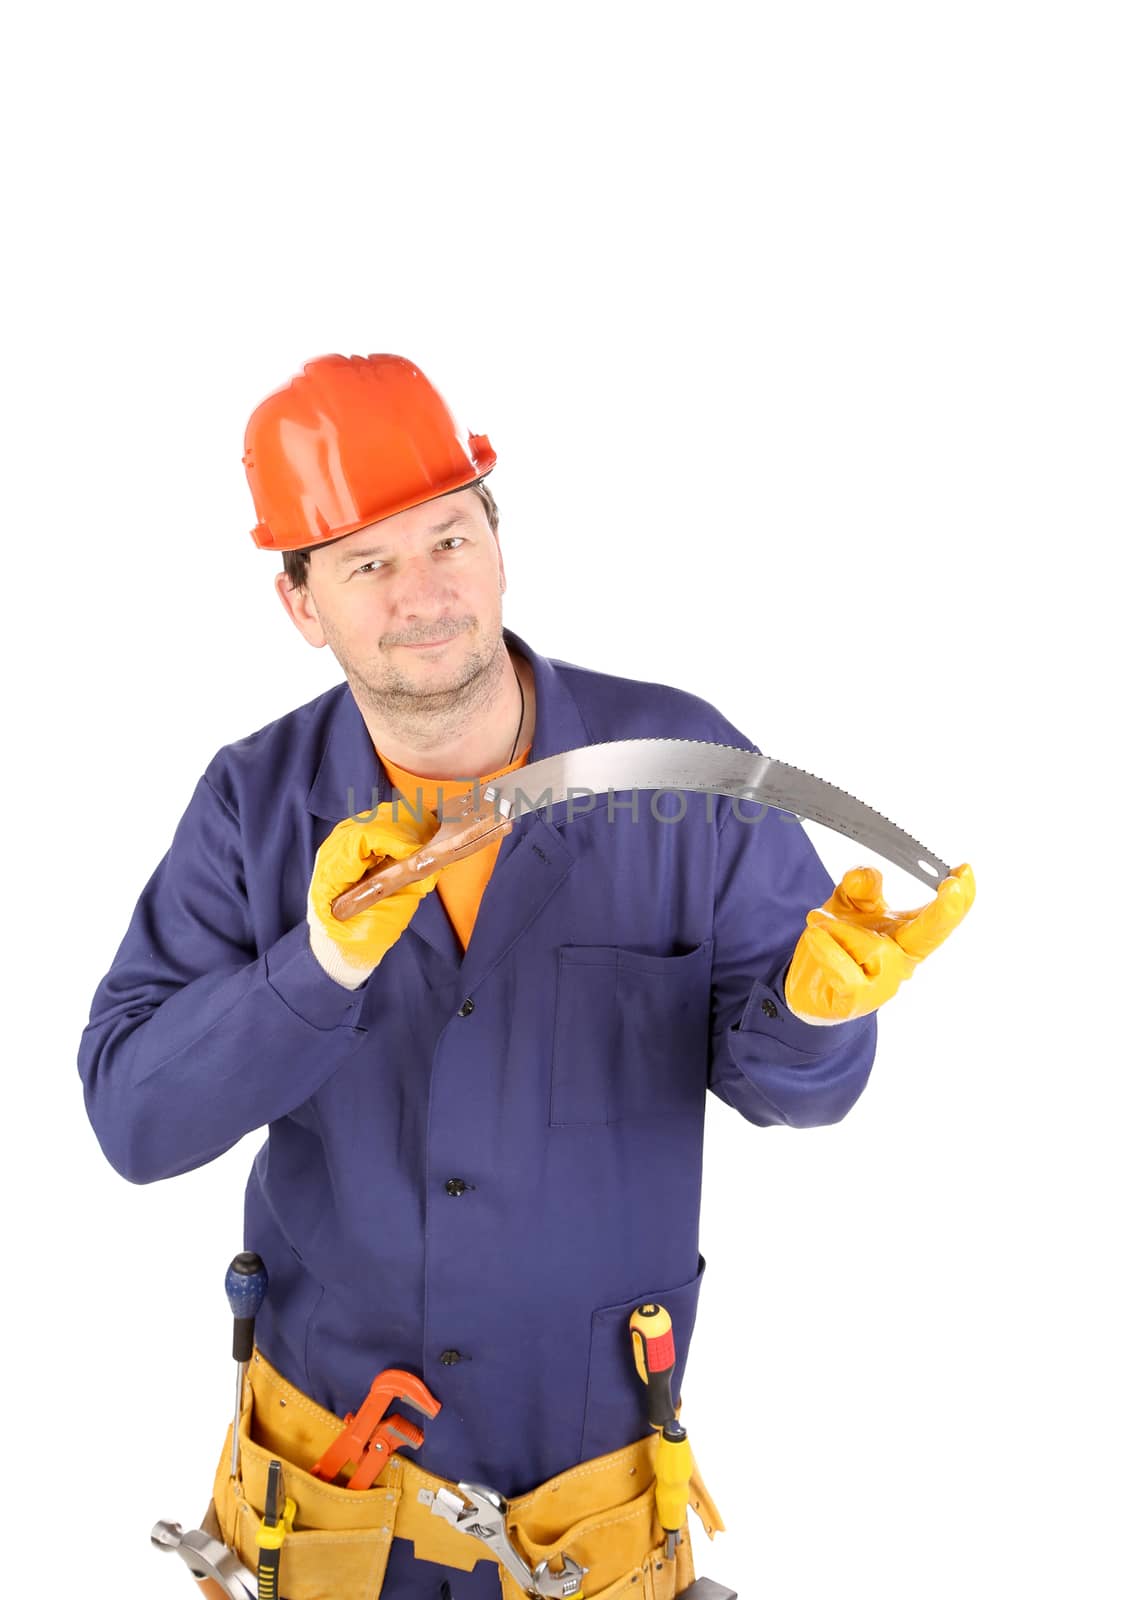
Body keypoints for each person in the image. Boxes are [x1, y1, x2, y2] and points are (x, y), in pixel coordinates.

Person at [79, 353, 974, 1600]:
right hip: (332, 1504)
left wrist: (820, 1016)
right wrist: (318, 964)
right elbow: (135, 1119)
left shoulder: (685, 774)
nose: (423, 593)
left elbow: (800, 1094)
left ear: (497, 537)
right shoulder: (252, 803)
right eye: (366, 563)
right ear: (302, 604)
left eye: (447, 537)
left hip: (584, 1512)